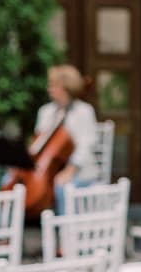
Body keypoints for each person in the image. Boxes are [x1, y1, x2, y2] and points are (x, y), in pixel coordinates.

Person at [33, 65, 99, 214]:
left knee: (62, 187)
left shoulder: (84, 111)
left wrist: (70, 171)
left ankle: (66, 232)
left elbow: (85, 146)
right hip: (50, 169)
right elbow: (39, 143)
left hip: (79, 172)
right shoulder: (46, 112)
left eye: (53, 85)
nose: (49, 89)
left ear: (66, 87)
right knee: (11, 181)